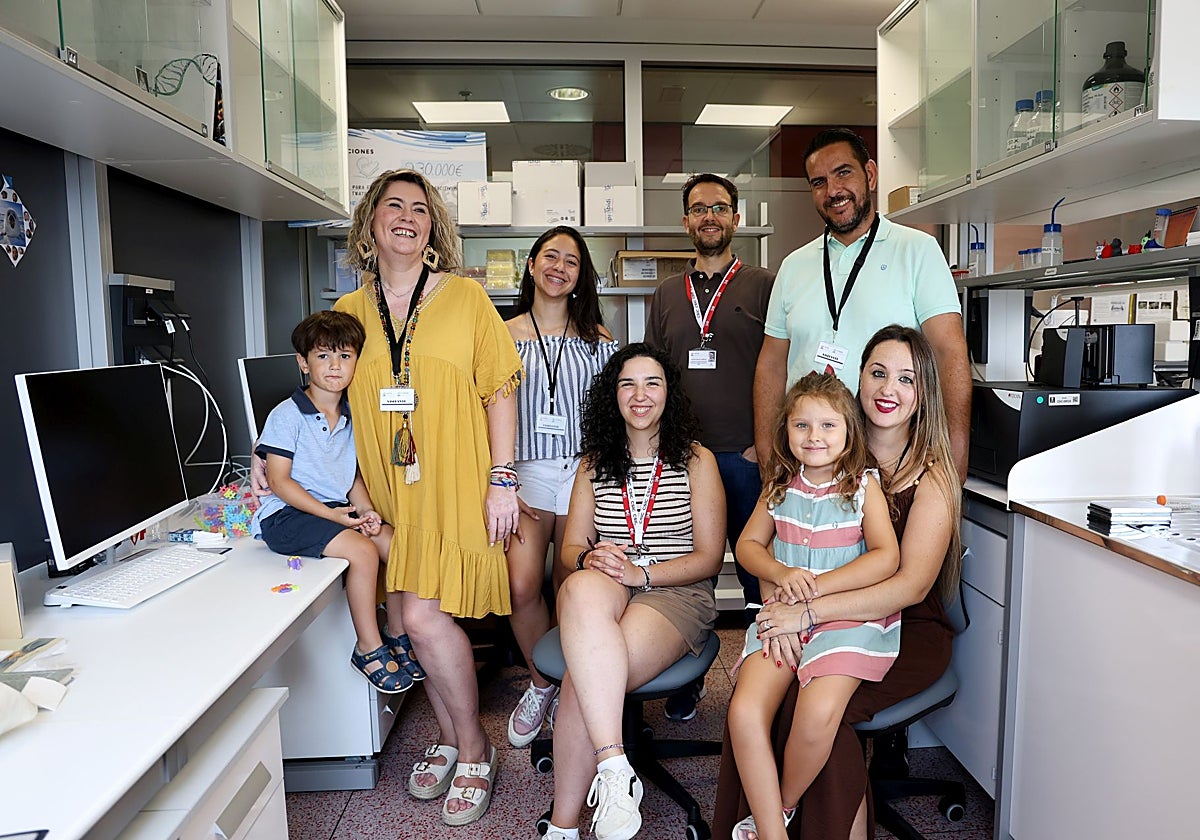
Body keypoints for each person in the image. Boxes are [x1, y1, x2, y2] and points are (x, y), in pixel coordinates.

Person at [714, 324, 963, 840]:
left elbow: (909, 586)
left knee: (825, 711)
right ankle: (772, 823)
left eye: (906, 379)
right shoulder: (820, 456)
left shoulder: (929, 475)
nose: (888, 389)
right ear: (859, 381)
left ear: (923, 396)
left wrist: (802, 611)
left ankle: (792, 818)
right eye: (877, 373)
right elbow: (778, 548)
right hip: (806, 614)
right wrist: (781, 610)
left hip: (903, 623)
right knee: (763, 697)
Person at [334, 169, 522, 826]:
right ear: (371, 222)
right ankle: (450, 738)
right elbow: (335, 411)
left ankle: (474, 747)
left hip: (455, 482)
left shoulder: (466, 298)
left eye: (421, 208)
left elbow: (501, 390)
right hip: (388, 491)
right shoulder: (348, 314)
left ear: (432, 226)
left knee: (417, 619)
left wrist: (504, 480)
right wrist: (352, 488)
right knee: (410, 617)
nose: (408, 217)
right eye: (395, 206)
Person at [542, 344, 726, 840]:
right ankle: (616, 769)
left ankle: (562, 826)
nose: (640, 395)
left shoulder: (696, 460)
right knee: (580, 587)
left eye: (652, 383)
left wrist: (642, 576)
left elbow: (709, 558)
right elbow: (571, 547)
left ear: (670, 394)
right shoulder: (594, 462)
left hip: (674, 590)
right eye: (627, 384)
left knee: (586, 678)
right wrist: (588, 558)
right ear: (613, 395)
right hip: (606, 586)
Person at [726, 372, 900, 840]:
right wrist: (781, 576)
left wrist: (816, 588)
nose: (814, 436)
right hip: (782, 616)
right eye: (802, 425)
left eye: (828, 426)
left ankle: (778, 809)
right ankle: (773, 834)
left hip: (847, 621)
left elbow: (887, 557)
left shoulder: (863, 487)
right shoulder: (779, 485)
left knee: (817, 713)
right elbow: (748, 548)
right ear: (786, 431)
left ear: (849, 433)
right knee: (744, 712)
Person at [753, 127, 971, 479]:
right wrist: (768, 456)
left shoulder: (917, 250)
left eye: (843, 173)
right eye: (818, 181)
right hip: (806, 458)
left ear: (869, 175)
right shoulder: (793, 265)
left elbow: (949, 351)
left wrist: (956, 454)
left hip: (891, 460)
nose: (833, 190)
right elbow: (771, 365)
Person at [645, 172, 775, 722]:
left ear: (736, 218)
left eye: (719, 207)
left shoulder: (766, 285)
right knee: (687, 572)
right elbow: (654, 376)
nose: (709, 217)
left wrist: (764, 449)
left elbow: (783, 370)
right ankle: (689, 673)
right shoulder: (667, 294)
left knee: (757, 571)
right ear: (686, 222)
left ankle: (766, 675)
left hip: (746, 457)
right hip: (684, 460)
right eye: (698, 209)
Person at [250, 311, 424, 694]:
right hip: (288, 514)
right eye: (324, 356)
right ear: (303, 362)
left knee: (394, 544)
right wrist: (333, 515)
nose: (334, 366)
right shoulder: (287, 414)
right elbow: (278, 482)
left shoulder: (352, 414)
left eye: (345, 356)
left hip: (332, 510)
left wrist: (364, 511)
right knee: (362, 553)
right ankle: (368, 647)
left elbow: (351, 477)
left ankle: (397, 631)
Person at [503, 225, 618, 749]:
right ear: (531, 265)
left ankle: (576, 682)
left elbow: (610, 416)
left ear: (579, 277)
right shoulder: (500, 335)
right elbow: (484, 412)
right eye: (551, 256)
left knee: (570, 583)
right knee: (523, 587)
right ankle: (540, 682)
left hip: (579, 471)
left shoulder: (598, 341)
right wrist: (499, 478)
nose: (559, 267)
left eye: (571, 262)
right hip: (522, 472)